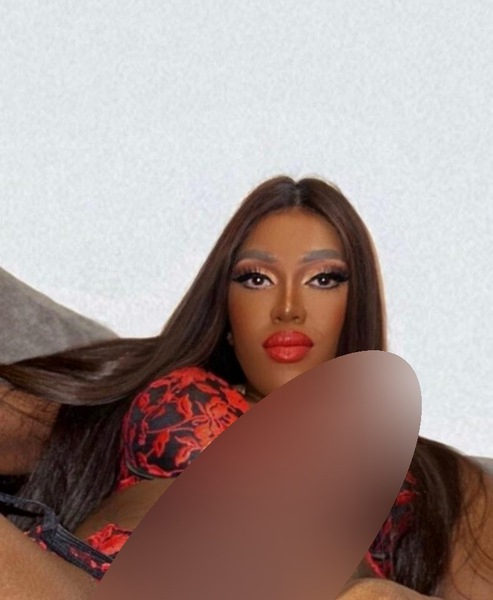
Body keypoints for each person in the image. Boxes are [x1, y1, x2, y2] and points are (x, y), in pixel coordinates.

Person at [0, 176, 492, 599]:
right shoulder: (148, 384)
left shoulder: (431, 473)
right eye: (256, 279)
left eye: (324, 279)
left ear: (355, 304)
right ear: (226, 308)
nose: (288, 308)